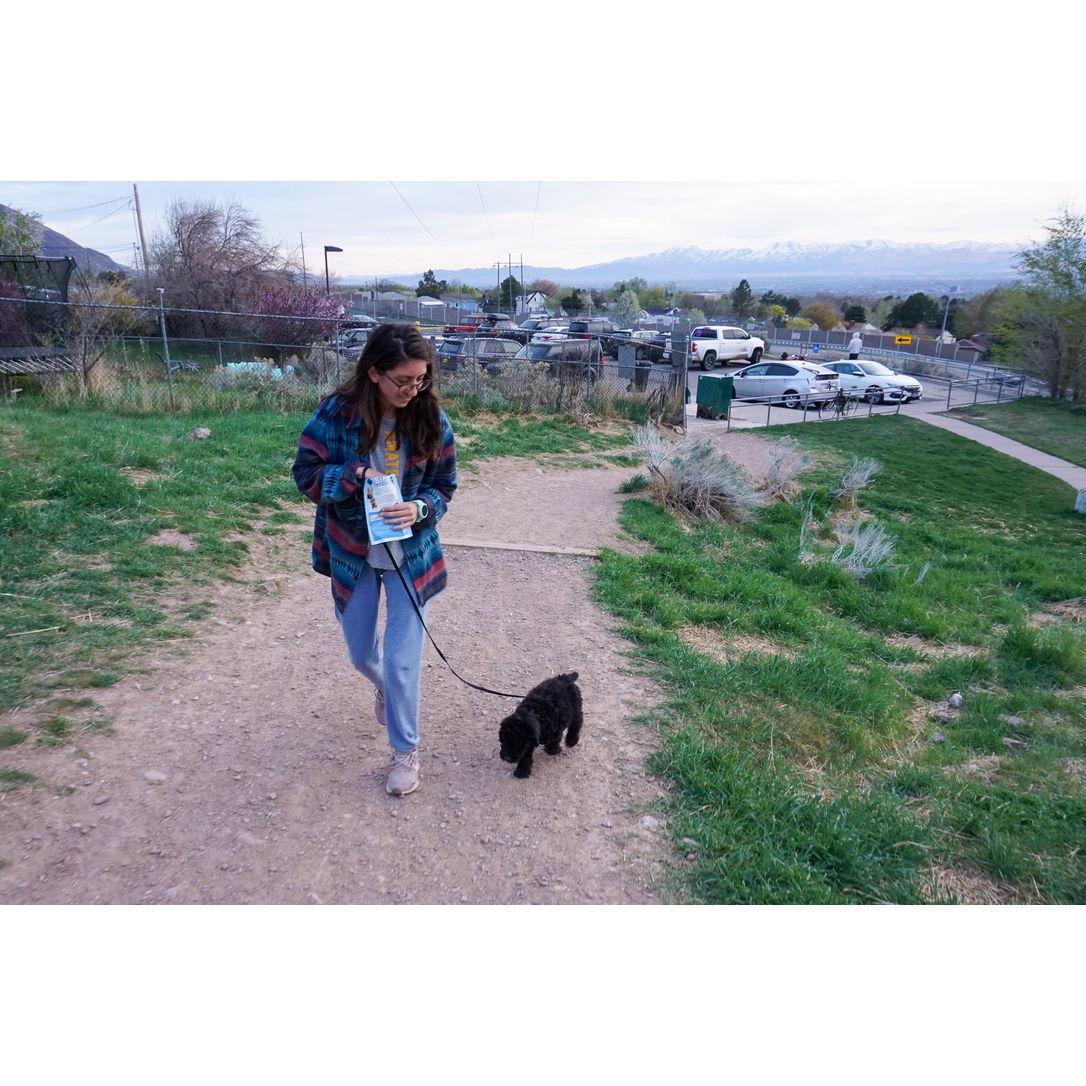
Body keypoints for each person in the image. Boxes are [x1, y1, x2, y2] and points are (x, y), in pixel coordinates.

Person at [291, 324, 457, 797]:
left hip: (411, 556)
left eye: (420, 379)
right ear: (373, 373)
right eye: (402, 380)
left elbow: (443, 485)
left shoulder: (430, 417)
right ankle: (384, 687)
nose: (413, 389)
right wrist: (352, 475)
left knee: (405, 663)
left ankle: (405, 751)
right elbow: (304, 473)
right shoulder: (335, 413)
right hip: (353, 552)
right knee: (362, 653)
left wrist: (420, 508)